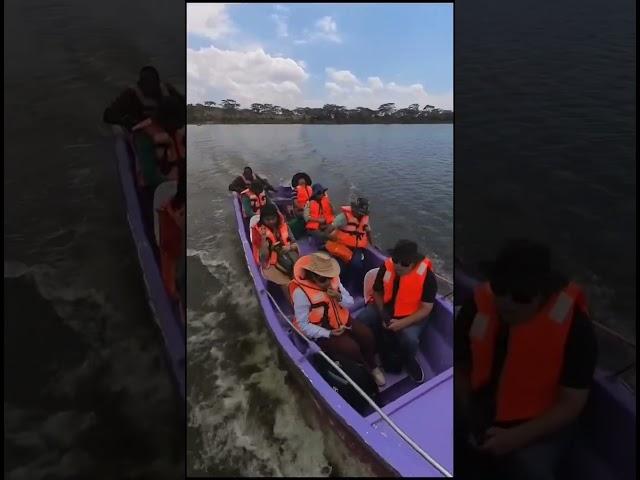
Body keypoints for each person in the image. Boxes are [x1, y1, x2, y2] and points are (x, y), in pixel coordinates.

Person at [454, 239, 597, 480]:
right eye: (500, 289)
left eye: (521, 295)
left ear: (543, 293)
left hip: (538, 423)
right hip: (480, 407)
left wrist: (515, 438)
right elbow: (461, 367)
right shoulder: (476, 307)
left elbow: (571, 403)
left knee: (530, 469)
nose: (507, 302)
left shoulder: (576, 329)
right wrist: (469, 412)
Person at [290, 253, 386, 386]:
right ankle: (366, 369)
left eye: (329, 277)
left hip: (344, 321)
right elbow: (303, 325)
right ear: (312, 277)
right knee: (351, 348)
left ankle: (373, 365)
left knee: (367, 335)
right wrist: (328, 333)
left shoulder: (334, 282)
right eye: (323, 279)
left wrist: (339, 297)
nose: (329, 282)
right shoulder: (301, 294)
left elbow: (350, 302)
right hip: (324, 331)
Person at [355, 240, 438, 383]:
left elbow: (426, 308)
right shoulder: (386, 267)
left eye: (404, 263)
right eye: (395, 260)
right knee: (363, 318)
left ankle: (409, 359)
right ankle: (369, 349)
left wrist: (402, 323)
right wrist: (382, 313)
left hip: (412, 315)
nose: (398, 266)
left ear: (413, 263)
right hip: (386, 309)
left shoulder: (427, 277)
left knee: (410, 338)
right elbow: (377, 291)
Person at [103, 66, 184, 129]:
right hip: (141, 129)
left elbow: (183, 104)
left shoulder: (167, 89)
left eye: (153, 83)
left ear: (158, 82)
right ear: (141, 84)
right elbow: (108, 115)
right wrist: (124, 121)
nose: (150, 87)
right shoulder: (131, 94)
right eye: (147, 83)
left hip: (168, 126)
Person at [251, 204, 299, 301]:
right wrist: (264, 240)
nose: (271, 221)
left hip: (287, 255)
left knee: (300, 276)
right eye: (268, 219)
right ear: (262, 219)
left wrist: (288, 248)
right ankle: (293, 304)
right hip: (270, 262)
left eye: (273, 218)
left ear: (277, 217)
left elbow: (295, 244)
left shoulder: (284, 226)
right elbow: (263, 258)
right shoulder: (258, 231)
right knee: (286, 284)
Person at [326, 197, 372, 292]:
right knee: (340, 268)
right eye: (358, 212)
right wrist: (332, 237)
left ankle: (355, 287)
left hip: (357, 247)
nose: (360, 214)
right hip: (342, 245)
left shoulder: (364, 219)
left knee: (357, 265)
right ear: (353, 208)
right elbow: (328, 230)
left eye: (362, 213)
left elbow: (367, 233)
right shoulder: (343, 217)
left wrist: (371, 243)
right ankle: (340, 287)